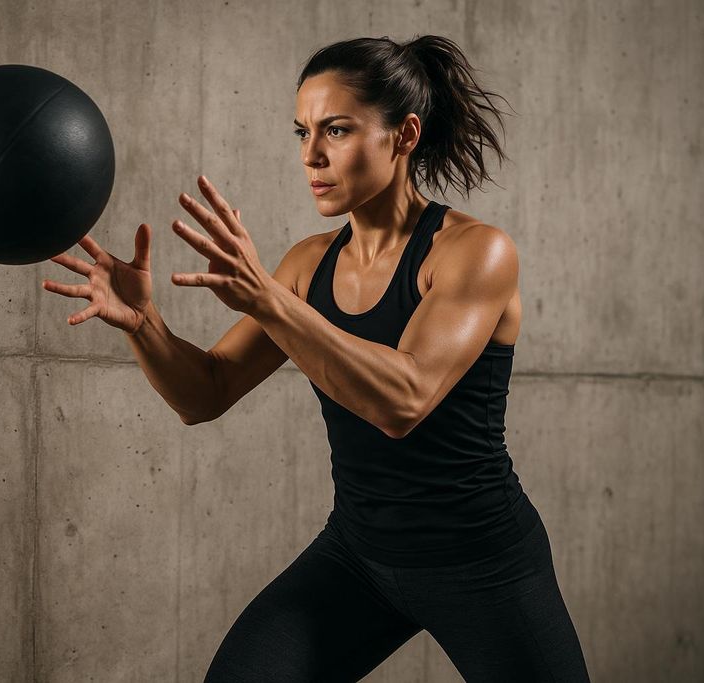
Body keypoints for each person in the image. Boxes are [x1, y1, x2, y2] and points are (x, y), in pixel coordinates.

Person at [43, 34, 590, 683]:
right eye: (301, 131)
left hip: (482, 562)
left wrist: (270, 301)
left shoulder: (475, 252)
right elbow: (206, 392)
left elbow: (402, 399)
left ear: (404, 134)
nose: (312, 155)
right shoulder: (309, 263)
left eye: (336, 129)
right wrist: (143, 324)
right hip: (360, 556)